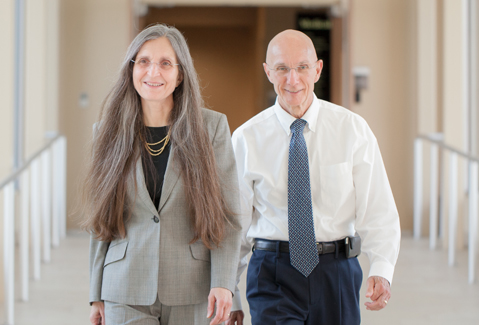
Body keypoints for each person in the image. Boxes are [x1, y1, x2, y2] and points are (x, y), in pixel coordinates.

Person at [226, 29, 401, 325]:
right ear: (268, 72)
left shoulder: (352, 130)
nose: (292, 80)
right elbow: (233, 225)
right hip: (273, 273)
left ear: (318, 69)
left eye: (302, 67)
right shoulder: (246, 139)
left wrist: (381, 268)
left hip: (337, 273)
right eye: (282, 69)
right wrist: (229, 290)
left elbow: (378, 208)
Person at [81, 24, 241, 325]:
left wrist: (224, 281)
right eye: (143, 61)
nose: (153, 72)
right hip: (124, 285)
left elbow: (227, 215)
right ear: (131, 70)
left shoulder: (212, 128)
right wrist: (96, 293)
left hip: (191, 287)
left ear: (180, 75)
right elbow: (101, 218)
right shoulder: (107, 132)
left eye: (165, 63)